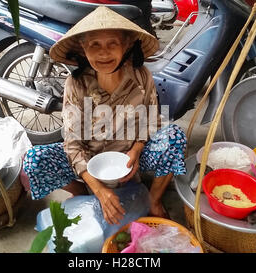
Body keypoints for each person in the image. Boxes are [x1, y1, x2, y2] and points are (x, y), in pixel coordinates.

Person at [22, 6, 187, 225]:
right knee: (33, 160)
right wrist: (99, 191)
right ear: (83, 49)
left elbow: (152, 120)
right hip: (90, 160)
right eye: (95, 45)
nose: (103, 53)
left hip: (130, 157)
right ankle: (84, 191)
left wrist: (137, 150)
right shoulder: (76, 84)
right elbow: (72, 144)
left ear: (126, 45)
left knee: (174, 136)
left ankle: (153, 200)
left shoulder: (141, 76)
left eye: (112, 44)